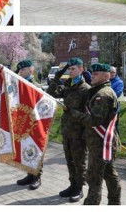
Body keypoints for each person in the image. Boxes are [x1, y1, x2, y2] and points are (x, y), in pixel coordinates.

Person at [70, 63, 121, 205]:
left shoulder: (102, 95)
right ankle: (115, 202)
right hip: (99, 142)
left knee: (94, 178)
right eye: (92, 73)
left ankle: (92, 203)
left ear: (106, 76)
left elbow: (94, 121)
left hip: (101, 143)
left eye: (96, 74)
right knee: (109, 174)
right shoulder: (97, 91)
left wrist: (74, 114)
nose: (92, 76)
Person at [46, 58, 90, 203]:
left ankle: (79, 188)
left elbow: (88, 114)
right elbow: (50, 93)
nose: (70, 71)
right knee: (69, 160)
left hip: (79, 133)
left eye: (73, 69)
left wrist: (84, 131)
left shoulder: (86, 89)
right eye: (69, 69)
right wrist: (57, 76)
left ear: (81, 69)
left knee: (79, 162)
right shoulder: (68, 86)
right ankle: (72, 185)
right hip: (67, 131)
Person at [15, 59, 44, 190]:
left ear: (31, 70)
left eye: (24, 70)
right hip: (25, 122)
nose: (21, 72)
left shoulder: (35, 85)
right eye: (20, 70)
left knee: (36, 149)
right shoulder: (21, 84)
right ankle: (29, 174)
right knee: (26, 148)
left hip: (35, 123)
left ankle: (37, 177)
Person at [109, 66, 124, 133]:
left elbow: (117, 94)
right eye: (110, 72)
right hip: (105, 107)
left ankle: (118, 142)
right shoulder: (105, 81)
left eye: (113, 72)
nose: (112, 74)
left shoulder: (119, 82)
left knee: (114, 127)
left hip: (114, 108)